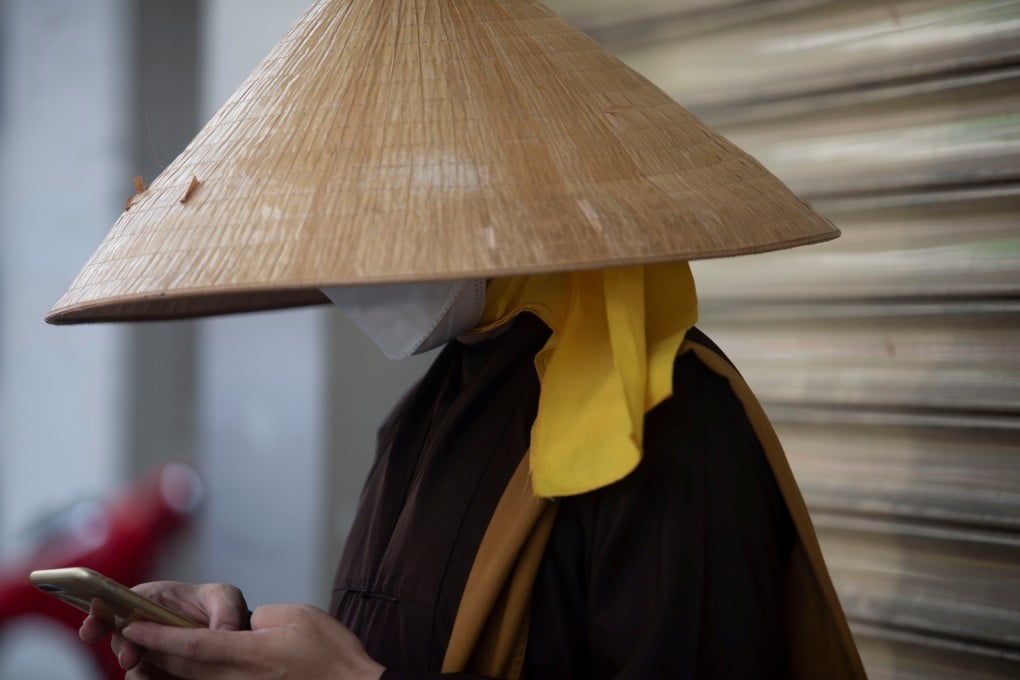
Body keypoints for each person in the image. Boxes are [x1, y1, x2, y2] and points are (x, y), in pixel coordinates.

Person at [53, 1, 865, 677]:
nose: (350, 265)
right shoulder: (432, 407)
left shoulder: (669, 424)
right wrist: (237, 638)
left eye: (383, 211)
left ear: (506, 195)